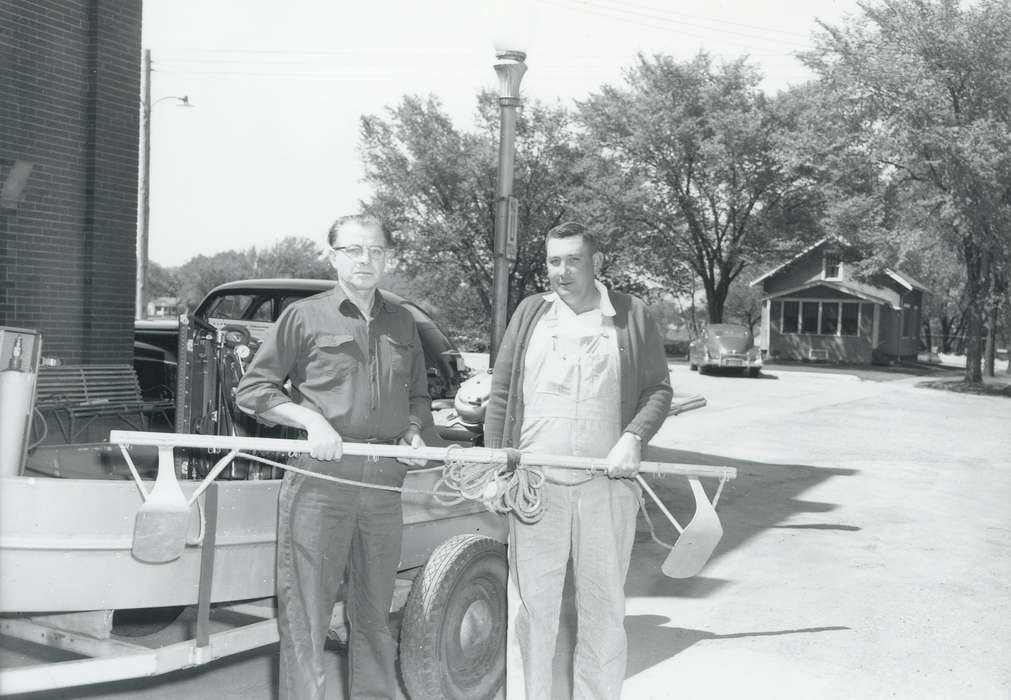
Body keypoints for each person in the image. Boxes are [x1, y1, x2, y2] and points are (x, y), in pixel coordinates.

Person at [235, 214, 430, 700]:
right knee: (307, 616)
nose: (366, 260)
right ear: (334, 256)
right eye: (354, 250)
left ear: (388, 257)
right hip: (320, 484)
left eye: (376, 251)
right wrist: (309, 420)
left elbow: (420, 398)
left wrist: (413, 432)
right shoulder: (305, 316)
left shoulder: (404, 320)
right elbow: (252, 390)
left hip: (384, 486)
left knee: (374, 615)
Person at [483, 221, 673, 699]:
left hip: (606, 489)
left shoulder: (631, 314)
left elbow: (658, 390)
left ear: (597, 263)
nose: (561, 272)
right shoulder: (531, 314)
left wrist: (633, 437)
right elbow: (502, 393)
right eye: (553, 261)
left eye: (573, 260)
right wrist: (493, 466)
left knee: (604, 609)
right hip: (535, 488)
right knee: (533, 610)